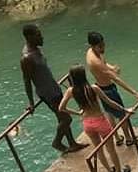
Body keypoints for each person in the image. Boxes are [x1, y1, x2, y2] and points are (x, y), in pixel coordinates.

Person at [20, 24, 88, 154]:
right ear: (29, 37)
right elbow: (26, 81)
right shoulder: (27, 58)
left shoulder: (36, 49)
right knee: (66, 119)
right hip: (47, 93)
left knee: (61, 118)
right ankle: (57, 142)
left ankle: (72, 143)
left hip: (53, 87)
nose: (42, 37)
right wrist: (31, 102)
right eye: (38, 35)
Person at [59, 65, 133, 172]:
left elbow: (61, 108)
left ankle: (109, 170)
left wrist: (78, 113)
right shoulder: (93, 88)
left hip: (87, 123)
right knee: (111, 149)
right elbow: (109, 102)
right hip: (100, 121)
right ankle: (119, 171)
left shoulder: (71, 91)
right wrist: (125, 109)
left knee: (98, 148)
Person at [85, 31, 138, 147]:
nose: (102, 48)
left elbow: (104, 64)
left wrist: (112, 67)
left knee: (109, 112)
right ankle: (128, 138)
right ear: (92, 46)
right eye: (100, 46)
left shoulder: (94, 52)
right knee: (122, 114)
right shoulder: (94, 61)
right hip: (108, 89)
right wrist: (136, 93)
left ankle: (117, 137)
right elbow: (115, 79)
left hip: (101, 86)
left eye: (103, 44)